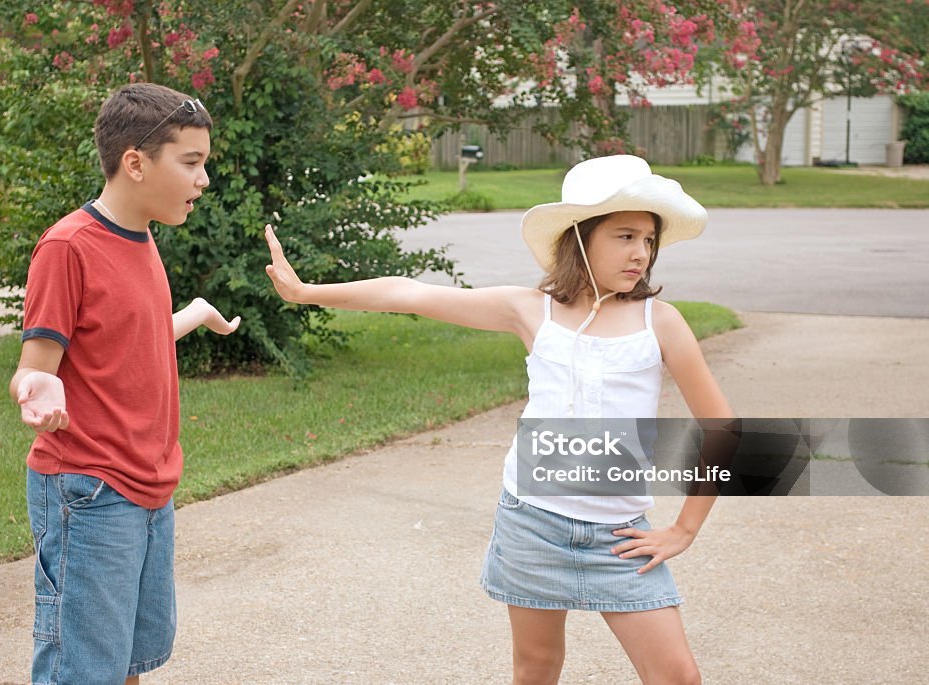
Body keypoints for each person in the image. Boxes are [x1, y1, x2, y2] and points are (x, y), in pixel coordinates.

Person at [263, 154, 734, 685]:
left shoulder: (661, 322)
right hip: (532, 523)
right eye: (625, 236)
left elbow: (724, 428)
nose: (641, 254)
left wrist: (684, 529)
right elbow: (412, 294)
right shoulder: (531, 310)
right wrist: (306, 293)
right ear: (580, 238)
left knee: (678, 677)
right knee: (536, 669)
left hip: (619, 535)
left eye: (649, 240)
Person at [9, 82, 240, 685]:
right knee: (83, 670)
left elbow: (124, 342)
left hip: (148, 486)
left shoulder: (138, 238)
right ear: (135, 162)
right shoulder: (68, 247)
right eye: (191, 162)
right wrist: (41, 388)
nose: (203, 179)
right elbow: (36, 368)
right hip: (90, 490)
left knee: (129, 661)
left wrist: (192, 313)